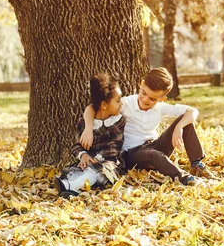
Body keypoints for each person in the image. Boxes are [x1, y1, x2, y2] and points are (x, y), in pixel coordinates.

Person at [80, 67, 214, 186]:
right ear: (141, 84)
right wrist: (88, 128)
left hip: (155, 145)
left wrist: (179, 127)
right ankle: (185, 179)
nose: (145, 100)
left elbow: (192, 111)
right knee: (154, 155)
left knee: (185, 122)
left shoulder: (161, 108)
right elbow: (91, 108)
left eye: (152, 99)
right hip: (133, 153)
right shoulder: (126, 104)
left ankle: (196, 164)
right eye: (143, 93)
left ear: (161, 99)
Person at [55, 73, 126, 198]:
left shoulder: (118, 121)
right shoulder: (85, 123)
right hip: (88, 160)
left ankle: (70, 187)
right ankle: (69, 185)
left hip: (109, 161)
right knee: (75, 170)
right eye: (118, 100)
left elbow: (114, 147)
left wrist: (96, 159)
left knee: (99, 171)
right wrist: (83, 155)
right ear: (104, 105)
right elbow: (76, 144)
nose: (122, 104)